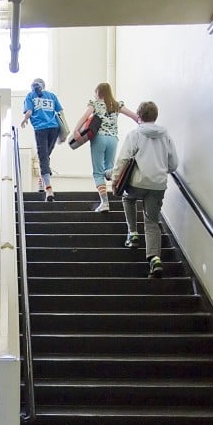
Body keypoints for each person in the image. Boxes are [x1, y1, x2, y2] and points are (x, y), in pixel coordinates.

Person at [112, 101, 179, 279]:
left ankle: (133, 234)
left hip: (137, 184)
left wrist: (115, 179)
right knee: (152, 221)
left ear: (139, 116)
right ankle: (155, 259)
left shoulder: (135, 134)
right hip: (157, 186)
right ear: (155, 116)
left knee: (127, 198)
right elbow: (173, 164)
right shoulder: (166, 136)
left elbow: (123, 159)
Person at [73, 82, 140, 212]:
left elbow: (84, 117)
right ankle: (119, 179)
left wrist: (76, 130)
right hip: (113, 139)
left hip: (99, 138)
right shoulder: (116, 104)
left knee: (98, 172)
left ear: (99, 92)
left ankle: (104, 203)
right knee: (109, 169)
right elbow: (135, 117)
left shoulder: (95, 104)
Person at [20, 78, 65, 202]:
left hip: (41, 129)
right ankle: (42, 182)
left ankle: (48, 189)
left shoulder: (30, 96)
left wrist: (25, 119)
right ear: (44, 86)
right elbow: (60, 112)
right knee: (45, 156)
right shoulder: (51, 95)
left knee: (43, 157)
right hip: (54, 128)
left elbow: (29, 111)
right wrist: (64, 132)